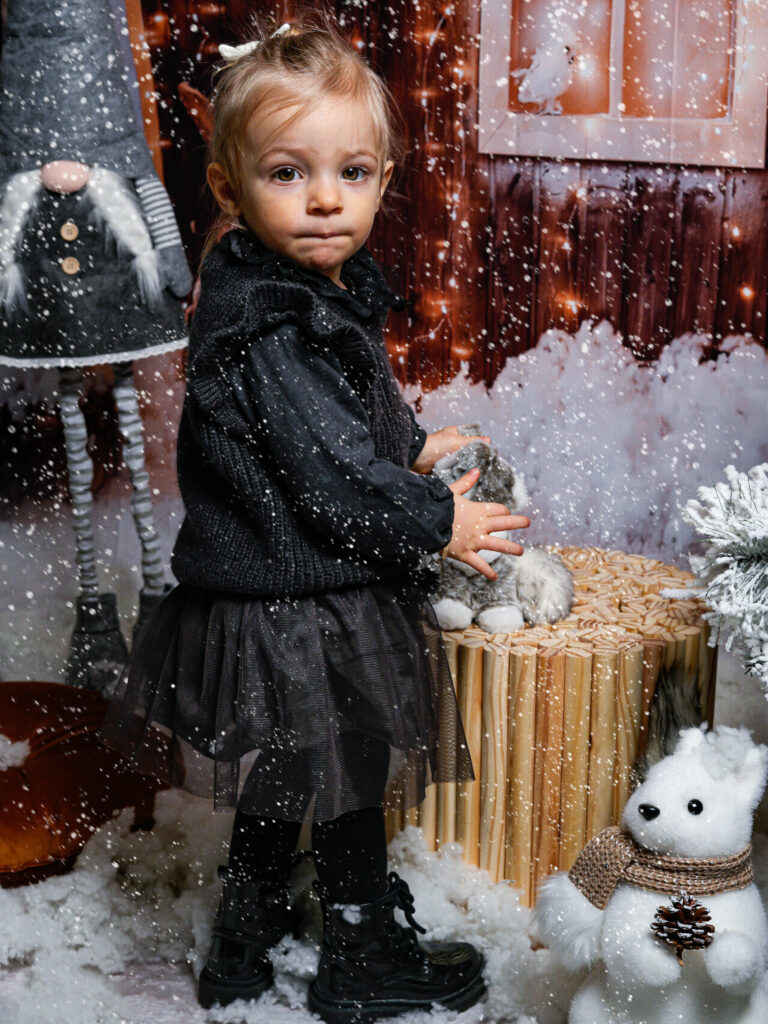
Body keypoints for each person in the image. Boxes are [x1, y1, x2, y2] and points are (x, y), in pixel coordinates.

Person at [98, 14, 530, 1021]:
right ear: (230, 187)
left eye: (356, 172)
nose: (328, 199)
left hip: (274, 581)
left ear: (384, 176)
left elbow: (340, 417)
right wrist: (438, 517)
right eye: (289, 173)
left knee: (292, 764)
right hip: (306, 593)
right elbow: (331, 479)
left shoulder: (286, 285)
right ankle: (363, 950)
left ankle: (243, 938)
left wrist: (410, 439)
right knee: (348, 773)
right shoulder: (270, 321)